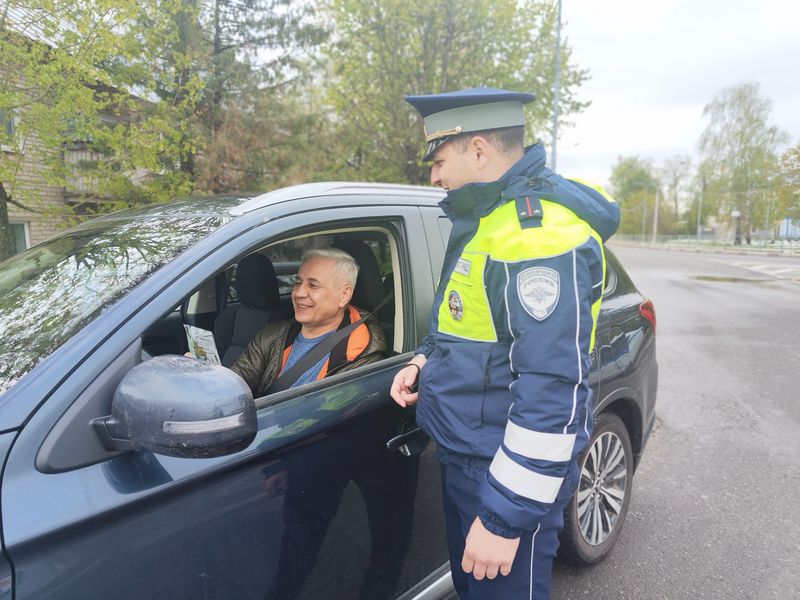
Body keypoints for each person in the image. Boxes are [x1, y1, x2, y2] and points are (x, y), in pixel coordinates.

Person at [390, 87, 620, 599]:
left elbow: (554, 392)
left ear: (477, 150)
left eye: (439, 159)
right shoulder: (490, 220)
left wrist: (503, 518)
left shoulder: (534, 238)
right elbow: (470, 321)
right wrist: (425, 359)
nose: (433, 175)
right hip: (472, 458)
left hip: (499, 473)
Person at [233, 247, 386, 396]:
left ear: (344, 296)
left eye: (313, 285)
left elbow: (328, 415)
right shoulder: (271, 336)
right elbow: (235, 384)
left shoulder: (361, 355)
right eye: (298, 283)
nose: (299, 293)